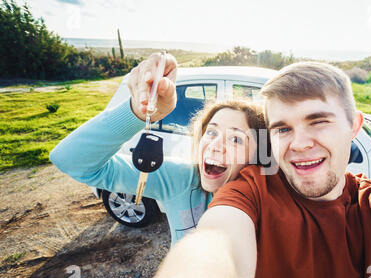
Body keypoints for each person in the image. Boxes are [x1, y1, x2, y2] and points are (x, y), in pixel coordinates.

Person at [143, 61, 371, 278]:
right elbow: (217, 243)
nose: (300, 144)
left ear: (353, 126)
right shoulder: (252, 190)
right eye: (282, 129)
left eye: (318, 122)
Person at [49, 52, 266, 247]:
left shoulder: (272, 200)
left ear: (259, 155)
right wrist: (137, 112)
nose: (216, 145)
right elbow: (70, 160)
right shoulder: (181, 179)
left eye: (236, 139)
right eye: (211, 132)